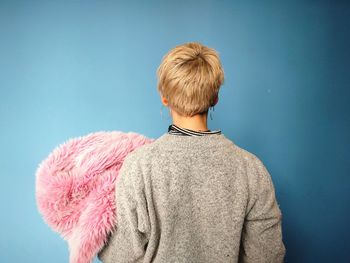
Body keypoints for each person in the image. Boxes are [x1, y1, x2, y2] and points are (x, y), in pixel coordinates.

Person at [97, 42, 286, 263]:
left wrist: (96, 231)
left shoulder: (138, 166)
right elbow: (267, 255)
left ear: (164, 98)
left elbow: (121, 257)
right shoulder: (251, 168)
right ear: (215, 97)